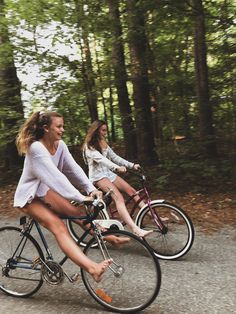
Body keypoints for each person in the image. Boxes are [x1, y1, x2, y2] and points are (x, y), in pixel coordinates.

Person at [14, 111, 128, 283]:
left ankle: (109, 238)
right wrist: (80, 196)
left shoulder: (60, 145)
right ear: (46, 128)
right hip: (29, 196)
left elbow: (73, 169)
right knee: (59, 226)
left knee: (77, 213)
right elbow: (56, 177)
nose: (62, 130)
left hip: (44, 191)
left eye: (63, 126)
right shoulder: (36, 148)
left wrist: (90, 189)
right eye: (58, 126)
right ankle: (93, 268)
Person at [82, 120, 153, 238]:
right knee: (118, 198)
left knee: (131, 191)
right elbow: (102, 160)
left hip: (108, 174)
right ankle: (135, 229)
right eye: (103, 130)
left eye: (106, 130)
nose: (105, 133)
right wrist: (117, 168)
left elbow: (115, 157)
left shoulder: (103, 143)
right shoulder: (89, 147)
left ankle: (151, 214)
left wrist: (131, 165)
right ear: (96, 130)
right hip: (98, 177)